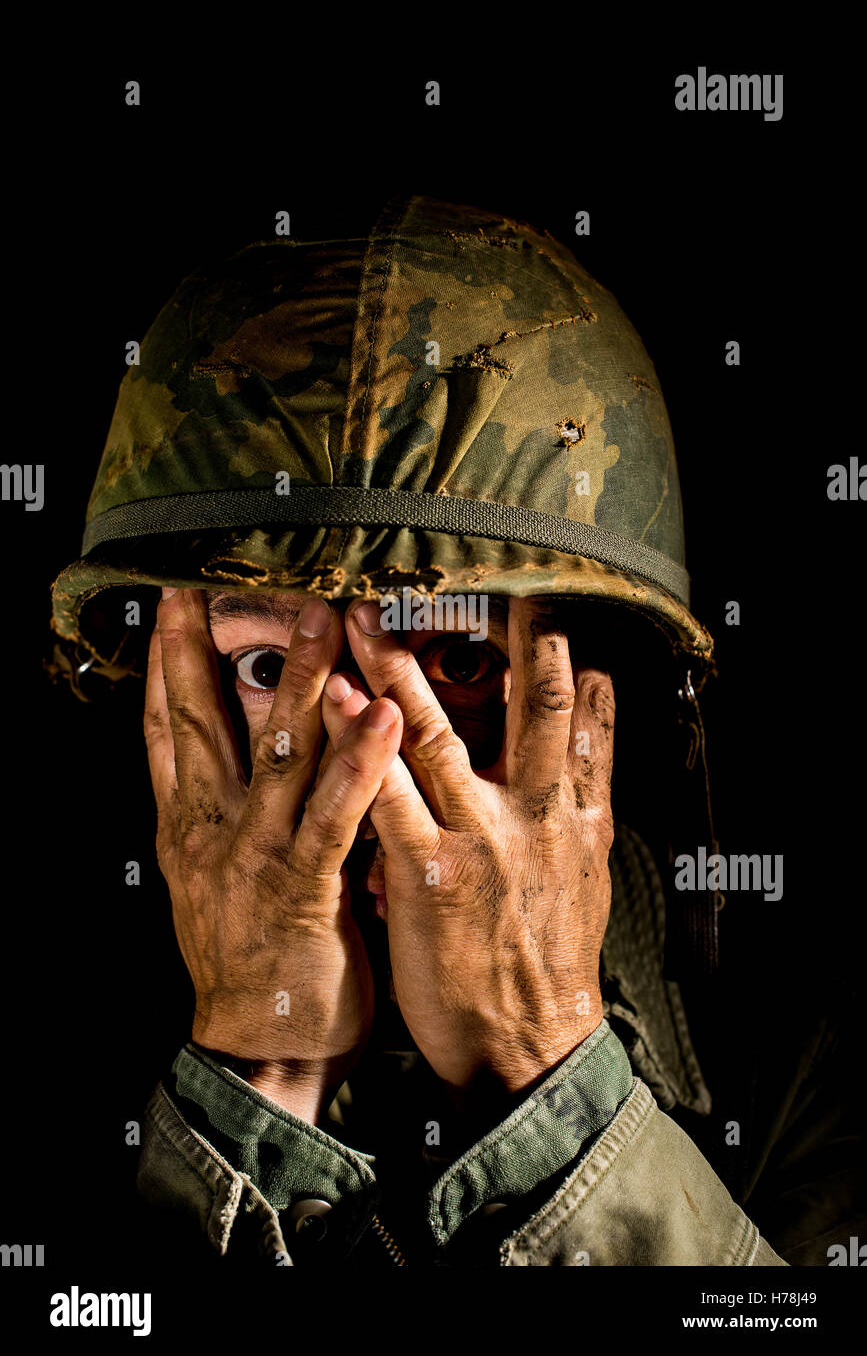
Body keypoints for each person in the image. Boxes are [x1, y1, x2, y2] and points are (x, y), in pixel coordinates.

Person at [49, 196, 856, 1266]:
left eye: (462, 665)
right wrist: (255, 1076)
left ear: (600, 699)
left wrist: (552, 1080)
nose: (356, 752)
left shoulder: (798, 1063)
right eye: (264, 667)